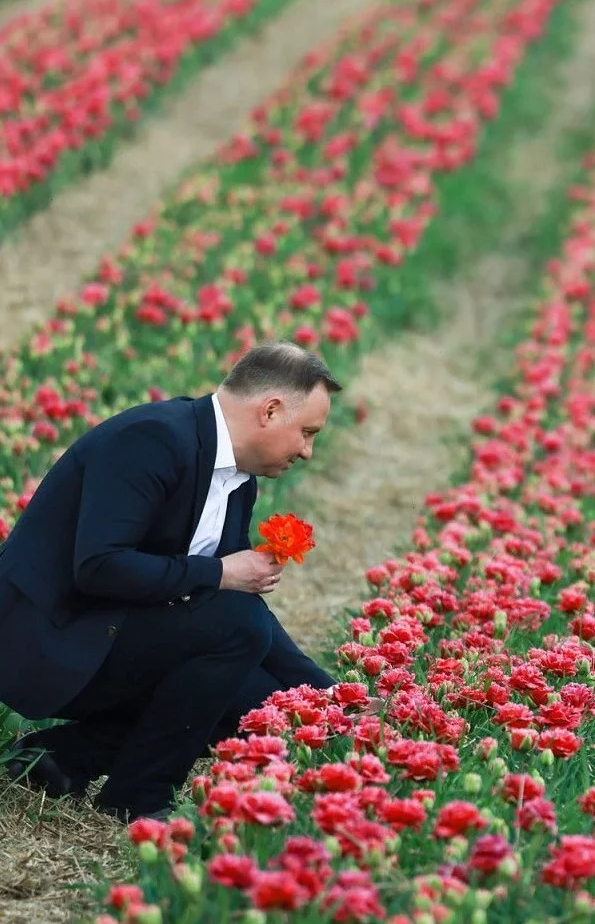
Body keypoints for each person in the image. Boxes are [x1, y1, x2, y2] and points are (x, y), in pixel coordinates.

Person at [0, 341, 341, 822]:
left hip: (111, 632)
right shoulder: (153, 439)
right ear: (269, 411)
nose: (308, 451)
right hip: (47, 638)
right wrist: (220, 572)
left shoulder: (237, 478)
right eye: (306, 433)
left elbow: (236, 608)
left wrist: (327, 698)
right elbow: (98, 566)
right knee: (234, 627)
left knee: (265, 707)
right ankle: (140, 796)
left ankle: (60, 759)